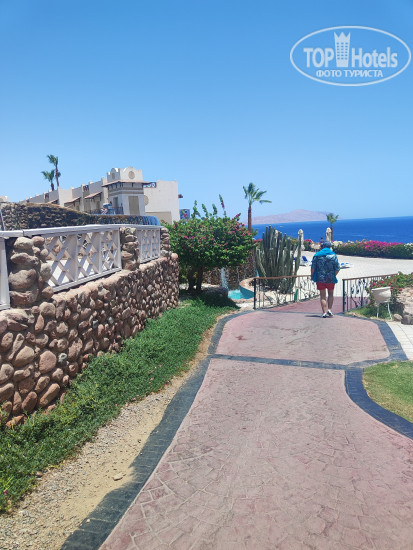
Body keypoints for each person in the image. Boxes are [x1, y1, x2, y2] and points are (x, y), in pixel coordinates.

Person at [311, 241, 340, 318]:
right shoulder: (333, 256)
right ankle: (329, 310)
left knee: (322, 295)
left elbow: (313, 267)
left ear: (323, 247)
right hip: (331, 279)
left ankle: (324, 312)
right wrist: (333, 275)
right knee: (330, 294)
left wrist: (312, 276)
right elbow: (337, 268)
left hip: (320, 278)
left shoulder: (317, 256)